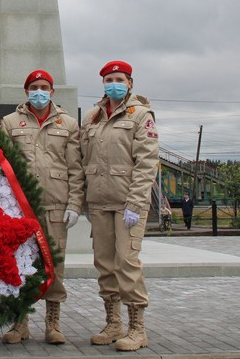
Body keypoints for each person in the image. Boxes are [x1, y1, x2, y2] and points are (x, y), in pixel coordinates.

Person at [0, 70, 85, 344]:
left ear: (52, 91)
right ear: (26, 91)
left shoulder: (68, 124)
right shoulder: (10, 122)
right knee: (19, 264)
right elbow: (3, 166)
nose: (39, 91)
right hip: (20, 208)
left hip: (56, 204)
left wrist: (74, 203)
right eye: (34, 87)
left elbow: (75, 168)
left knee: (54, 265)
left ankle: (53, 323)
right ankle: (19, 322)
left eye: (44, 87)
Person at [81, 60, 159, 352]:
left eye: (119, 79)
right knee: (104, 263)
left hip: (128, 203)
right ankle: (113, 323)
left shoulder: (140, 115)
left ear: (129, 83)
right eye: (108, 79)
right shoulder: (92, 117)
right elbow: (82, 160)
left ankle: (137, 328)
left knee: (126, 262)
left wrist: (136, 203)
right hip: (99, 203)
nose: (113, 83)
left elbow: (146, 162)